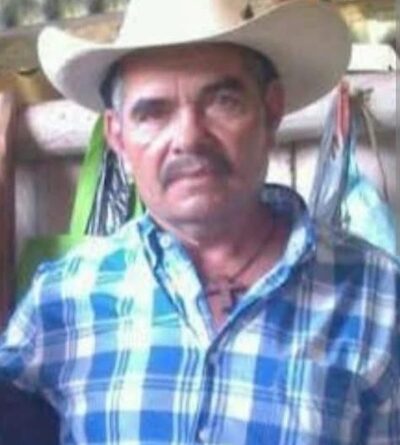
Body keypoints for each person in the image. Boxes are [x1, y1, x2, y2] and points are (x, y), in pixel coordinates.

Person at [1, 0, 399, 444]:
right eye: (153, 113)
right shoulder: (63, 298)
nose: (188, 137)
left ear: (271, 111)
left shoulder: (380, 298)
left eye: (223, 101)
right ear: (118, 137)